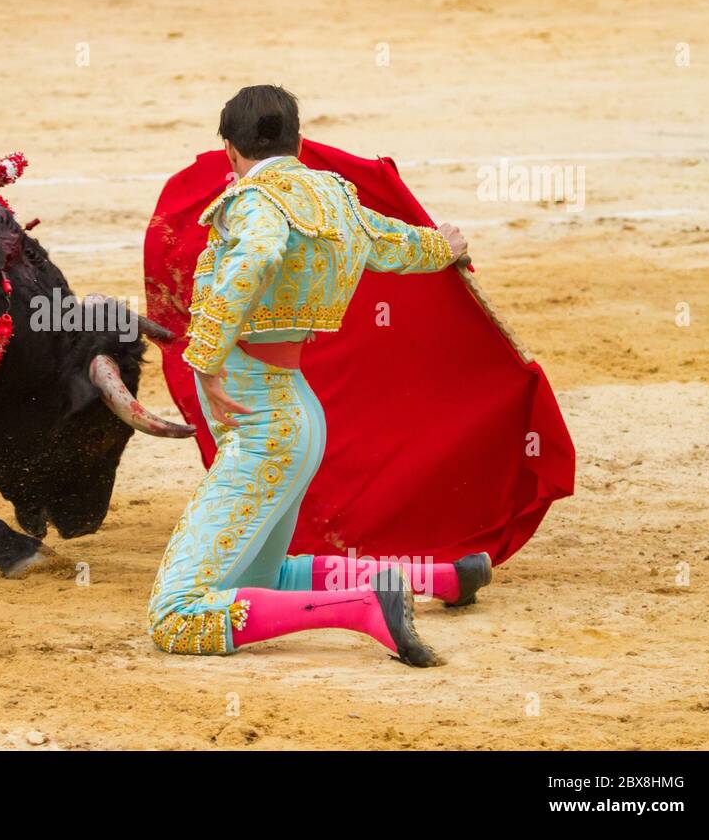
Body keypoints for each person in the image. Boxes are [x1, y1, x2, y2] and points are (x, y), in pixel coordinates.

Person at [147, 85, 491, 665]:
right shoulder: (333, 198)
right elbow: (393, 245)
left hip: (261, 428)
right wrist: (442, 245)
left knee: (177, 615)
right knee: (267, 573)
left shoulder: (253, 201)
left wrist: (204, 360)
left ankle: (362, 608)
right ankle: (439, 578)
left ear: (229, 148)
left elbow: (255, 257)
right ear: (298, 140)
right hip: (298, 418)